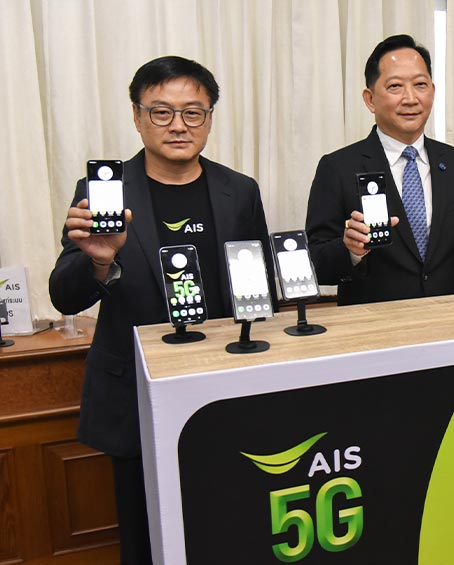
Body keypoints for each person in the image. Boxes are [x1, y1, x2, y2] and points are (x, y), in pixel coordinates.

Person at [49, 56, 276, 564]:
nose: (178, 125)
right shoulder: (104, 194)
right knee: (145, 536)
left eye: (193, 112)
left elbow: (259, 290)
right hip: (138, 396)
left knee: (227, 528)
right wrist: (99, 262)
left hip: (223, 389)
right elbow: (64, 295)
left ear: (210, 118)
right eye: (161, 112)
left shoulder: (239, 191)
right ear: (137, 116)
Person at [305, 34, 454, 305]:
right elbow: (316, 260)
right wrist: (351, 250)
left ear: (432, 91)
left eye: (420, 85)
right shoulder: (337, 167)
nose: (410, 98)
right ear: (370, 99)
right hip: (374, 321)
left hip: (450, 317)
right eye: (395, 86)